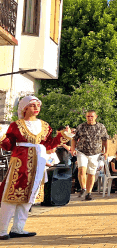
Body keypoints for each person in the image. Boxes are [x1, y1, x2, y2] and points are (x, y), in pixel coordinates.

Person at [0, 96, 71, 239]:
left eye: (38, 105)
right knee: (12, 195)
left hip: (38, 163)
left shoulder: (45, 126)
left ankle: (18, 228)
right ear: (24, 108)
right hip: (20, 163)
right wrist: (2, 137)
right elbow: (8, 145)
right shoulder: (16, 125)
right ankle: (2, 230)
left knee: (29, 195)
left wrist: (64, 135)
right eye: (33, 105)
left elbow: (49, 144)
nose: (36, 108)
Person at [70, 111, 109, 201]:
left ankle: (89, 193)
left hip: (95, 153)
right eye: (88, 116)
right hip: (82, 151)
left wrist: (106, 152)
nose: (90, 118)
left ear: (96, 116)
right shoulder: (81, 126)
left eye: (91, 116)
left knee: (91, 173)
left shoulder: (101, 127)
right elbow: (74, 139)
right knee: (81, 169)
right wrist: (73, 149)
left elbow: (105, 140)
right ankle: (83, 188)